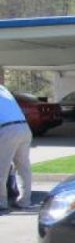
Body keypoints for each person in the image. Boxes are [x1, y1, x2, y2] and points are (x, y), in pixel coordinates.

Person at [0, 84, 33, 213]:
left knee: (2, 167)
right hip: (24, 127)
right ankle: (25, 201)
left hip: (8, 130)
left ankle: (1, 201)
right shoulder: (3, 89)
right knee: (23, 167)